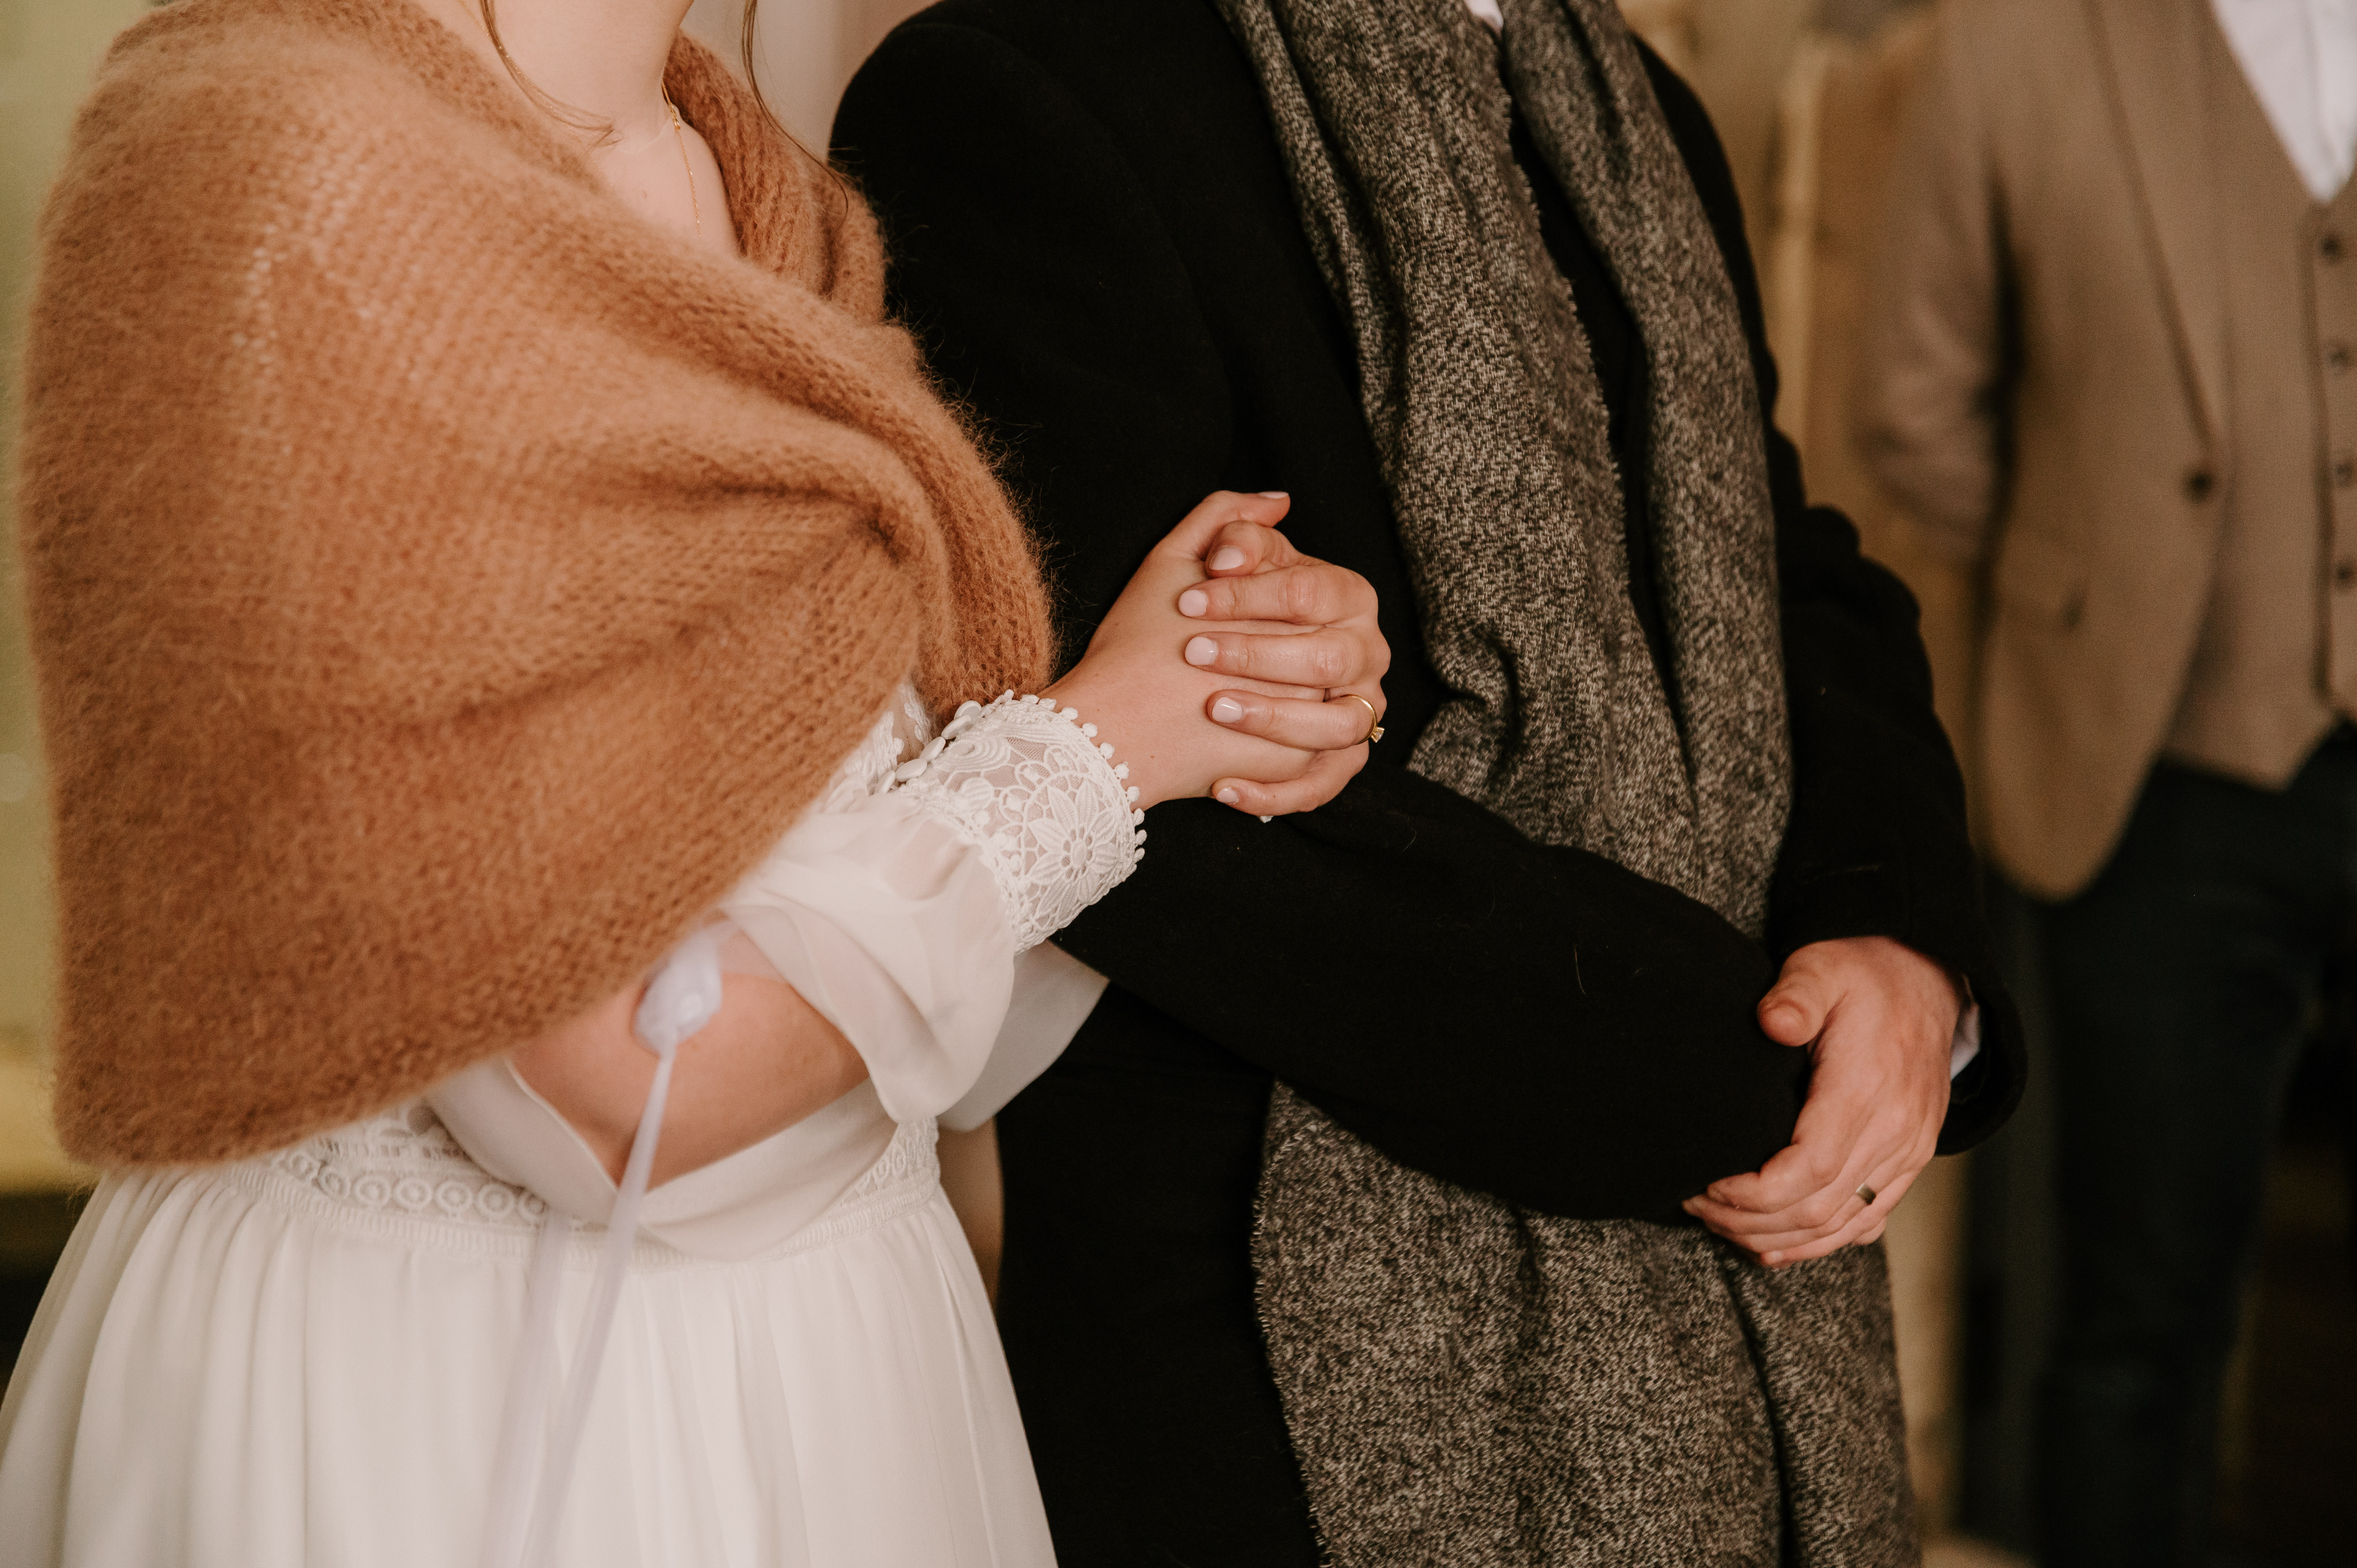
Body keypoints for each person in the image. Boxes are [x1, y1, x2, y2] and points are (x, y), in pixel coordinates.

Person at [0, 0, 1390, 1564]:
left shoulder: (771, 195)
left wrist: (1224, 663)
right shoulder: (292, 164)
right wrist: (1099, 755)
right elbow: (618, 1098)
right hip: (449, 1397)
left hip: (842, 1362)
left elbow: (898, 999)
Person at [832, 0, 2027, 1562]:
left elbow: (1778, 565)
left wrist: (1900, 946)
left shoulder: (1634, 104)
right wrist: (1748, 1072)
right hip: (1265, 1331)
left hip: (1743, 1265)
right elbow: (1137, 805)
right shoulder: (1018, 81)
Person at [1857, 0, 2357, 1562]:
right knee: (2140, 1313)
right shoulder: (2012, 45)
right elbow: (1908, 404)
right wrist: (2100, 574)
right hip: (2161, 781)